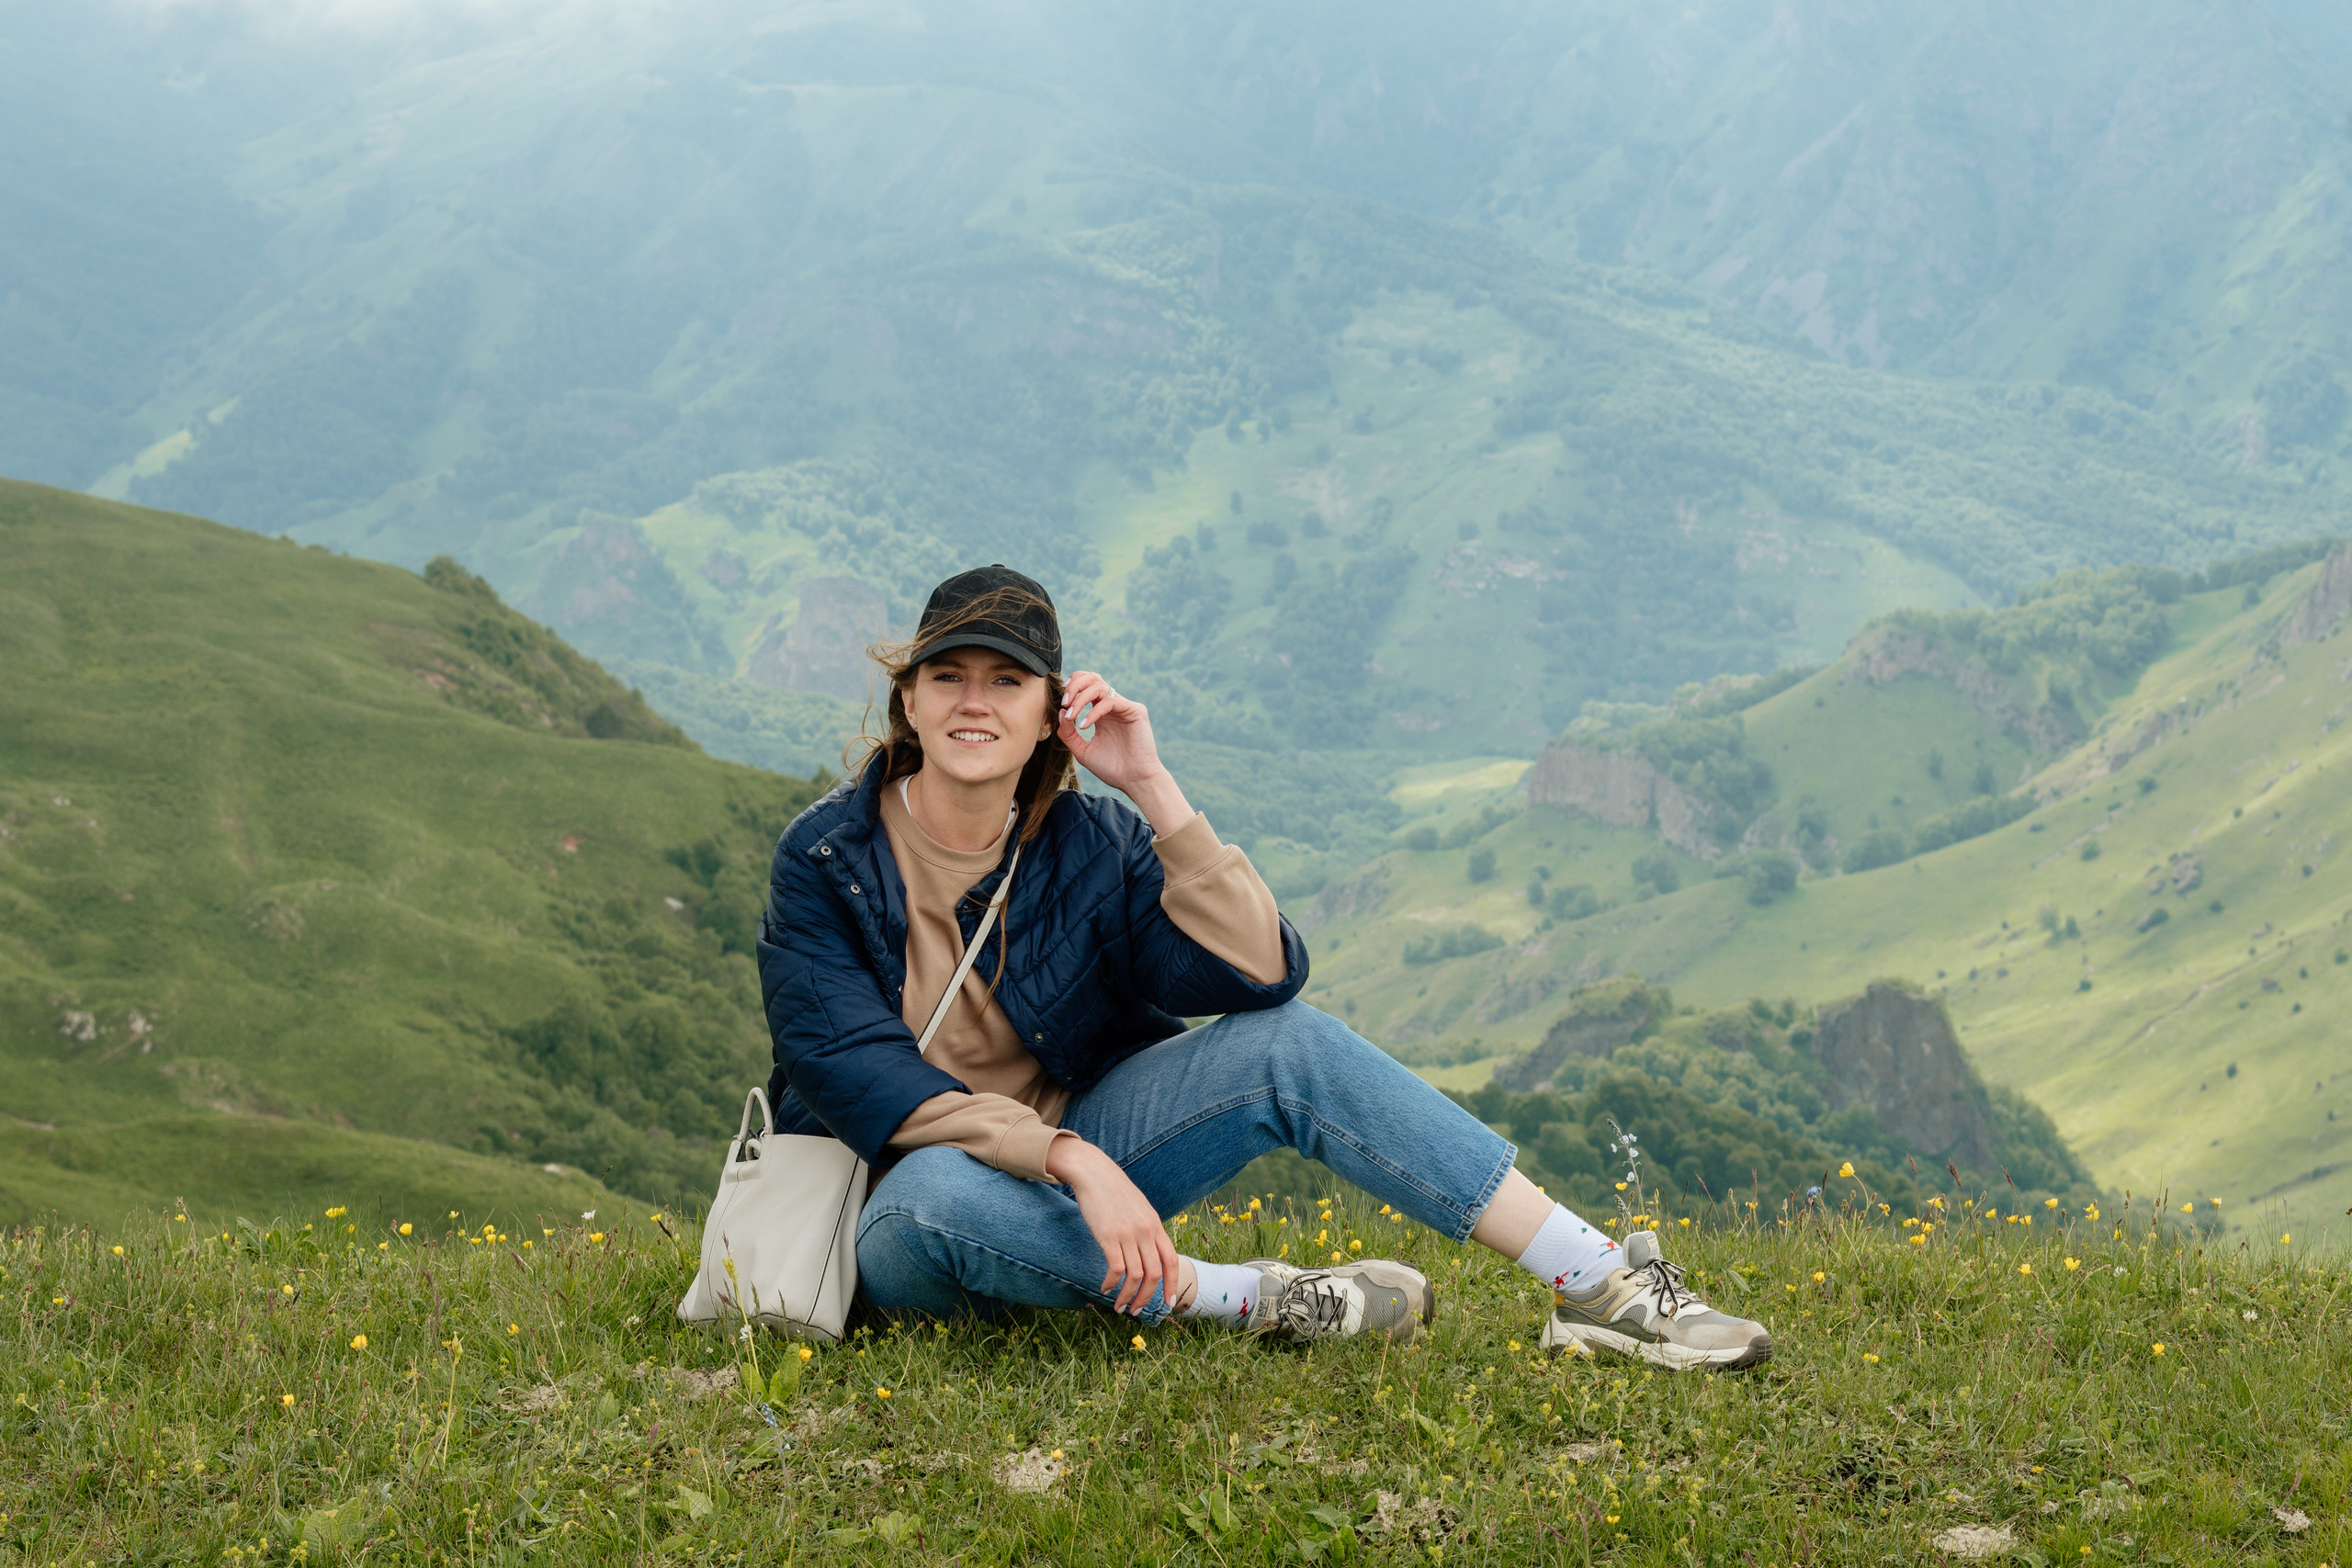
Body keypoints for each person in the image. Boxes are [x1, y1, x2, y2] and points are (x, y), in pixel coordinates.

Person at [756, 565, 1770, 1366]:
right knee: (941, 1192)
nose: (974, 703)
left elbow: (1260, 976)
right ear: (911, 701)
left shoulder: (1090, 845)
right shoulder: (825, 861)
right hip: (908, 1204)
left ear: (1049, 712)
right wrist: (1070, 1159)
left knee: (1292, 1046)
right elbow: (856, 1075)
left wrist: (1155, 789)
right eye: (948, 677)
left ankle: (1598, 1285)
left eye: (1007, 680)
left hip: (1085, 1165)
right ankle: (1254, 1298)